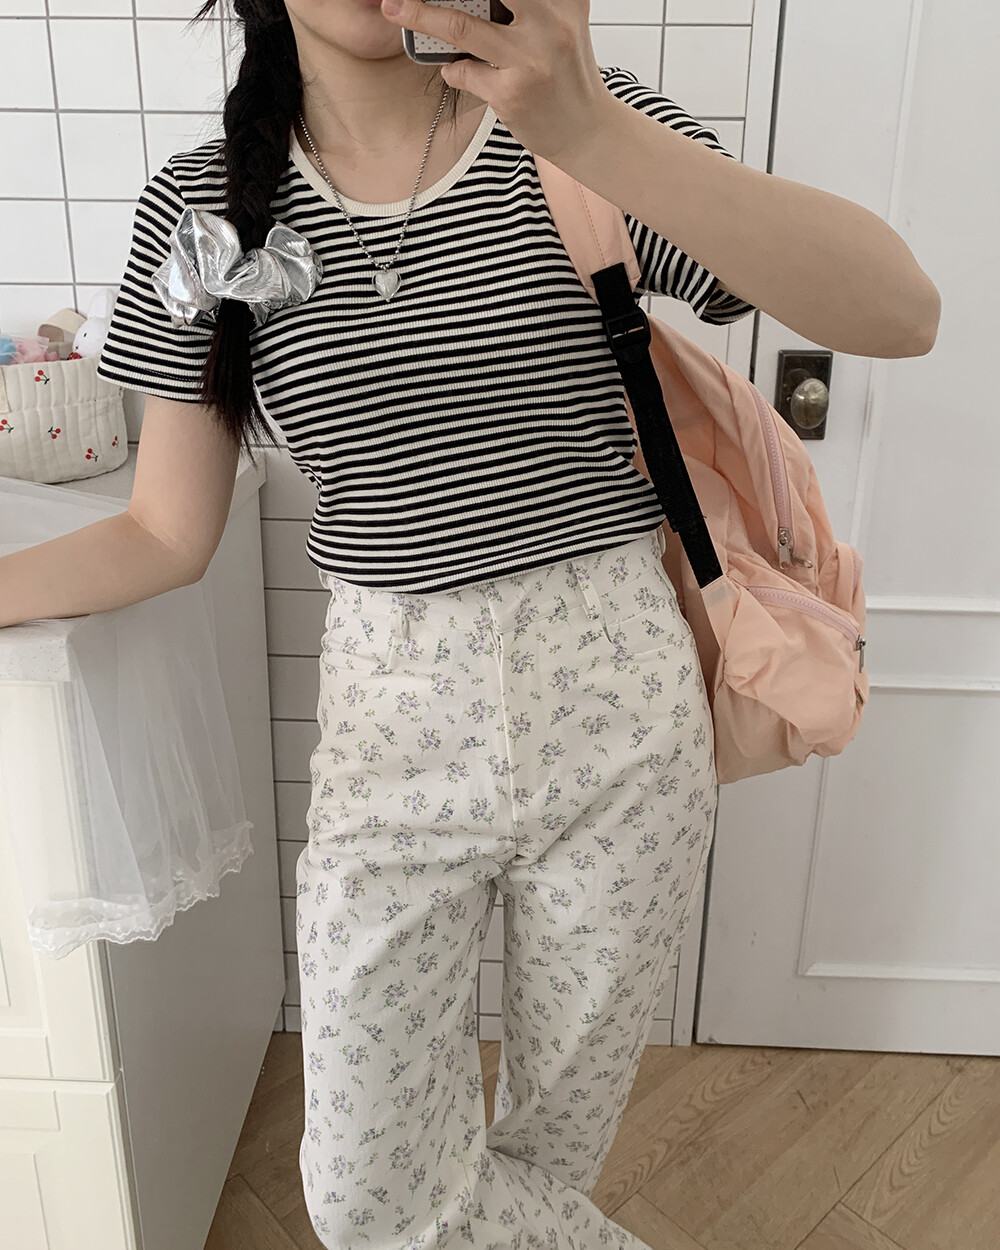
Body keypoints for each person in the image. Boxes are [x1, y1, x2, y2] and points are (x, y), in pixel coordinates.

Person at [0, 2, 938, 1248]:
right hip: (391, 724)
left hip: (619, 707)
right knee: (366, 1196)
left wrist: (591, 124)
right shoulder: (209, 206)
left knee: (550, 1153)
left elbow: (901, 312)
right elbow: (167, 530)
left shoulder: (573, 130)